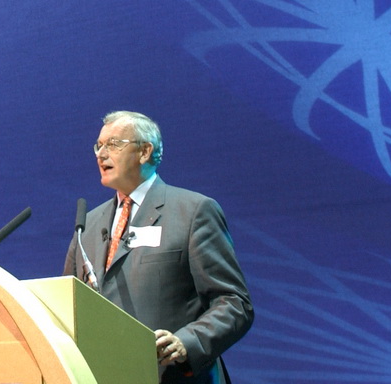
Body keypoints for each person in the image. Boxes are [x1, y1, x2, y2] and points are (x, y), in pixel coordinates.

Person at [64, 111, 253, 383]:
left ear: (145, 151)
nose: (101, 154)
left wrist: (187, 341)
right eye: (99, 145)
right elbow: (67, 304)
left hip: (173, 375)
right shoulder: (88, 225)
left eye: (113, 144)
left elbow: (235, 303)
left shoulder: (193, 212)